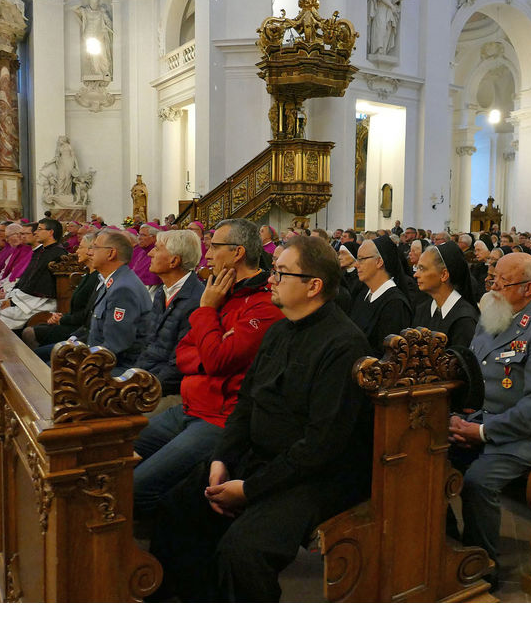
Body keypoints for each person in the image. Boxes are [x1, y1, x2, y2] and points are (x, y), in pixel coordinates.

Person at [148, 236, 372, 602]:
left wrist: (248, 489)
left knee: (244, 552)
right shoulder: (280, 329)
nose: (270, 279)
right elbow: (247, 403)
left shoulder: (344, 344)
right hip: (258, 458)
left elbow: (321, 444)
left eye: (282, 273)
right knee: (179, 507)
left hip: (312, 476)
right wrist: (222, 459)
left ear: (313, 286)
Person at [133, 218, 283, 520]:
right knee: (112, 450)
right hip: (189, 407)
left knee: (137, 488)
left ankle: (163, 554)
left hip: (217, 419)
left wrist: (206, 313)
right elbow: (184, 352)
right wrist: (211, 350)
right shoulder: (219, 291)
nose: (207, 253)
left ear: (237, 252)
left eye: (214, 246)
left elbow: (218, 360)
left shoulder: (263, 305)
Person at [447, 252, 531, 572]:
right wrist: (461, 415)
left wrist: (483, 432)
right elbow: (475, 373)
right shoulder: (495, 310)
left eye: (503, 282)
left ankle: (482, 565)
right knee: (427, 457)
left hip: (527, 433)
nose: (494, 287)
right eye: (493, 279)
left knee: (478, 481)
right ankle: (445, 546)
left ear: (528, 289)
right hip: (484, 418)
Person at [129, 229, 206, 396]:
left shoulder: (195, 301)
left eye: (157, 248)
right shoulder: (162, 292)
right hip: (146, 376)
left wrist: (143, 389)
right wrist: (131, 376)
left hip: (167, 390)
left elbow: (179, 364)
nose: (150, 253)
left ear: (174, 261)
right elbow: (149, 343)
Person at [83, 228, 154, 368]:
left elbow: (116, 345)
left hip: (117, 368)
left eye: (95, 247)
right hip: (101, 358)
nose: (89, 252)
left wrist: (83, 361)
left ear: (111, 253)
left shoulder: (123, 289)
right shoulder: (113, 280)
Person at [22, 232, 102, 354]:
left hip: (78, 328)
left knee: (30, 333)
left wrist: (62, 319)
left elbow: (87, 314)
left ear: (91, 250)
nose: (76, 251)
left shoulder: (96, 278)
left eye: (80, 247)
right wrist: (60, 316)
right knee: (32, 330)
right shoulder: (87, 274)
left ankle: (39, 368)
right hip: (73, 323)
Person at [0, 219, 69, 330]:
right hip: (28, 299)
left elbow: (42, 284)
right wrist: (11, 297)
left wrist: (13, 300)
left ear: (50, 232)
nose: (36, 232)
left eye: (39, 229)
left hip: (41, 302)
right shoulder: (41, 251)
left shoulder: (58, 254)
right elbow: (27, 277)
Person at [348, 234, 412, 356]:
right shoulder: (363, 294)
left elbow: (388, 356)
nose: (356, 264)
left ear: (379, 262)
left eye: (361, 259)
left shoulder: (395, 304)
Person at [412, 242, 480, 348]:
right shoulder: (423, 309)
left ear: (444, 275)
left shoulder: (464, 320)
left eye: (422, 269)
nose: (416, 274)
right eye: (417, 268)